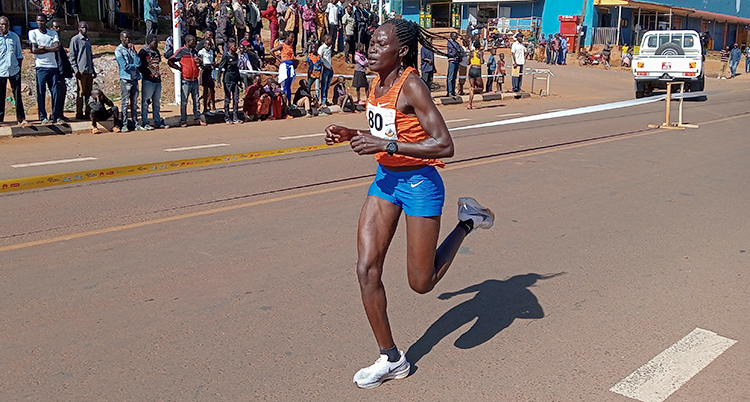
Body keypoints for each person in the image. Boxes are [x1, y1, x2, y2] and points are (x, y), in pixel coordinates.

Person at [323, 18, 494, 389]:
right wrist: (352, 134)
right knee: (366, 269)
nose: (371, 49)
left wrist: (385, 146)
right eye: (370, 42)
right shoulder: (376, 82)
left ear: (400, 51)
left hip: (420, 184)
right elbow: (389, 132)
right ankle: (391, 358)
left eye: (380, 44)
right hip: (386, 180)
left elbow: (445, 145)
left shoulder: (411, 85)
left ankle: (467, 221)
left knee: (421, 282)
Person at [168, 34, 207, 127]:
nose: (194, 43)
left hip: (195, 79)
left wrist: (200, 62)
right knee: (184, 100)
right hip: (185, 80)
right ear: (187, 42)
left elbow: (198, 63)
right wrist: (179, 68)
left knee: (196, 100)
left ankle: (197, 117)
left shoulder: (195, 51)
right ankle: (183, 119)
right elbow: (170, 60)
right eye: (192, 41)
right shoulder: (181, 51)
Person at [29, 14, 61, 124]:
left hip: (53, 66)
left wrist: (44, 48)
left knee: (55, 92)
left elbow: (57, 48)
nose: (40, 23)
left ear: (45, 22)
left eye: (42, 21)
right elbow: (34, 50)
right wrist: (50, 49)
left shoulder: (53, 33)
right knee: (41, 92)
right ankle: (42, 117)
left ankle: (55, 115)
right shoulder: (33, 33)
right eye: (38, 21)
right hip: (40, 67)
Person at [0, 16, 29, 127]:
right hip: (0, 71)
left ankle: (21, 119)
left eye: (6, 24)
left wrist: (19, 71)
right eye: (2, 24)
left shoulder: (14, 37)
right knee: (0, 96)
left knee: (17, 96)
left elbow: (19, 55)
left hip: (14, 70)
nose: (4, 26)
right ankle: (1, 120)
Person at [115, 31, 143, 131]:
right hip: (126, 79)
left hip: (134, 79)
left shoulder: (131, 49)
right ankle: (124, 124)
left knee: (134, 103)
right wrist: (135, 66)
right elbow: (124, 66)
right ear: (121, 38)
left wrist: (135, 52)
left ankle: (136, 124)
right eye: (126, 38)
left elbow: (139, 63)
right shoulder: (118, 51)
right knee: (125, 102)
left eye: (129, 37)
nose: (128, 39)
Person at [138, 35, 167, 130]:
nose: (157, 43)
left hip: (157, 80)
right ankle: (145, 122)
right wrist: (147, 74)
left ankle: (157, 121)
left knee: (156, 102)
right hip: (148, 80)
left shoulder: (157, 52)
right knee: (146, 102)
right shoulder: (143, 52)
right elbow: (139, 66)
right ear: (149, 41)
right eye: (155, 41)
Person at [69, 21, 96, 121]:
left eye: (86, 28)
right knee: (81, 92)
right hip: (80, 71)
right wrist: (75, 69)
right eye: (82, 28)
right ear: (79, 28)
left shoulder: (88, 40)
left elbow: (90, 56)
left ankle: (88, 111)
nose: (84, 30)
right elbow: (72, 56)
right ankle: (79, 112)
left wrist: (93, 69)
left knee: (89, 93)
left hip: (89, 70)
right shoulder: (75, 40)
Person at [50, 21, 72, 122]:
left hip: (61, 72)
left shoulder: (58, 41)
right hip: (56, 71)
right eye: (55, 27)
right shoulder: (52, 41)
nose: (58, 29)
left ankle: (60, 114)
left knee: (62, 92)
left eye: (59, 27)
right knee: (57, 93)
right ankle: (55, 115)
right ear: (51, 28)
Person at [219, 38, 242, 124]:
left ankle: (235, 117)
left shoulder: (236, 55)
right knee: (228, 99)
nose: (236, 47)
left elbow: (237, 68)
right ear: (229, 47)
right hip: (227, 80)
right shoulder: (226, 56)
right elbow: (220, 68)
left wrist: (239, 79)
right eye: (234, 46)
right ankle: (227, 117)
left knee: (236, 99)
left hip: (235, 79)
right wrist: (218, 80)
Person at [271, 32, 296, 103]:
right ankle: (283, 102)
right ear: (287, 37)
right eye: (292, 37)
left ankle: (289, 102)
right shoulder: (282, 45)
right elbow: (271, 51)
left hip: (291, 66)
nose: (293, 39)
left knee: (289, 85)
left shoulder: (291, 45)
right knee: (284, 85)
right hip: (285, 66)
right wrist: (279, 59)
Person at [198, 38, 218, 116]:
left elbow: (212, 61)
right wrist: (209, 65)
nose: (209, 46)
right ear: (204, 45)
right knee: (205, 90)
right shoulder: (201, 52)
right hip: (204, 72)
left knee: (212, 89)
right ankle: (205, 108)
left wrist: (214, 65)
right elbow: (200, 63)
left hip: (211, 71)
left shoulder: (211, 52)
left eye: (210, 45)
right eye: (207, 44)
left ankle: (213, 106)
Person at [318, 34, 334, 105]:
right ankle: (323, 101)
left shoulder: (329, 48)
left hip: (330, 69)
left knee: (327, 86)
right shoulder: (322, 48)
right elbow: (319, 59)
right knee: (323, 86)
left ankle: (326, 99)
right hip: (325, 70)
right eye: (330, 39)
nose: (332, 41)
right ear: (326, 40)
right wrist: (322, 68)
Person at [467, 40, 483, 110]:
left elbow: (468, 63)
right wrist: (480, 57)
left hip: (471, 69)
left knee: (471, 87)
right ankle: (474, 89)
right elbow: (482, 62)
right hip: (477, 70)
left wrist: (471, 57)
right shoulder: (480, 52)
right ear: (479, 46)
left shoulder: (471, 53)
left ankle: (470, 104)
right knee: (481, 88)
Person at [445, 31, 460, 97]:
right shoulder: (450, 43)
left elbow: (459, 49)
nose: (456, 37)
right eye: (455, 35)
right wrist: (458, 51)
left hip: (456, 61)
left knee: (454, 77)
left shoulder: (456, 43)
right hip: (452, 61)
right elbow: (455, 51)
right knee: (450, 77)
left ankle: (453, 91)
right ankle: (450, 92)